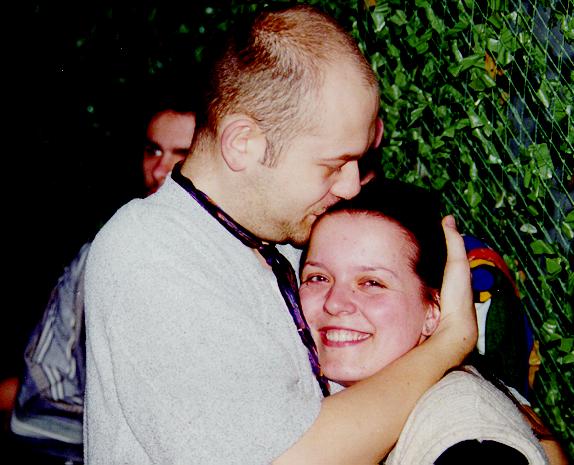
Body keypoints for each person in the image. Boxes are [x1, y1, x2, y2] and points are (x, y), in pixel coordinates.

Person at [83, 5, 477, 464]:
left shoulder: (270, 236)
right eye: (333, 164)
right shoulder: (153, 255)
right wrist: (448, 342)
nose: (351, 185)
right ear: (243, 143)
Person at [300, 178, 568, 465]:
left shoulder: (466, 435)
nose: (335, 303)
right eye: (318, 278)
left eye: (372, 283)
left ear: (433, 312)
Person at [6, 104, 196, 464]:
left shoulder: (245, 259)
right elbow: (39, 394)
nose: (159, 170)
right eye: (153, 150)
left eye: (180, 154)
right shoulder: (102, 254)